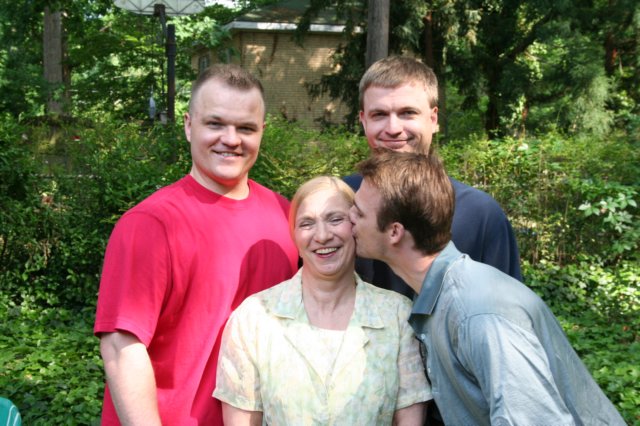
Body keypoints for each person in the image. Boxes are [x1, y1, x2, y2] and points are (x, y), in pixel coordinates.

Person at [349, 149, 626, 425]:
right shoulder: (443, 297)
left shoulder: (477, 313)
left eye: (359, 213)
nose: (349, 217)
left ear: (394, 232)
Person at [93, 64, 299, 425]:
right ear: (189, 126)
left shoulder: (287, 217)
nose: (231, 139)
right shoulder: (151, 224)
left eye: (246, 128)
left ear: (262, 132)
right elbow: (121, 347)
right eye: (215, 124)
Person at [214, 176, 431, 425]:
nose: (322, 235)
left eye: (335, 219)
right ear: (294, 236)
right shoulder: (254, 319)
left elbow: (410, 419)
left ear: (356, 227)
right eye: (307, 223)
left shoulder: (397, 316)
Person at [344, 55, 521, 301]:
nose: (393, 128)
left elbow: (503, 310)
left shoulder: (480, 215)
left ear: (433, 119)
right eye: (379, 114)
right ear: (363, 121)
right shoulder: (340, 202)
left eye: (408, 113)